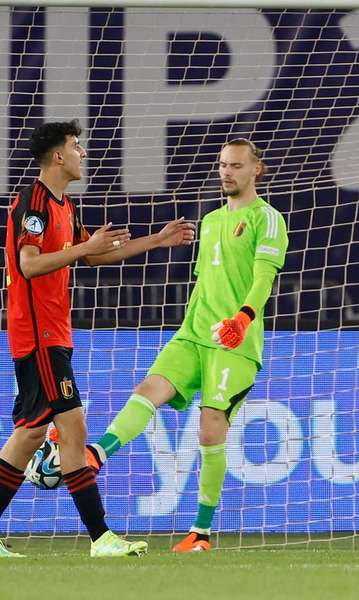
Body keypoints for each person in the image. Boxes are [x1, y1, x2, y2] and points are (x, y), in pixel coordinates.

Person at [84, 138, 288, 553]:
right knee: (146, 391)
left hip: (235, 342)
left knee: (211, 429)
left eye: (235, 165)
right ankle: (95, 456)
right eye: (222, 165)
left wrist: (242, 319)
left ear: (256, 170)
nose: (226, 172)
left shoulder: (268, 219)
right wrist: (192, 327)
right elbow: (206, 283)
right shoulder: (211, 221)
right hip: (193, 334)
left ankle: (201, 533)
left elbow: (262, 279)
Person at [0, 120, 194, 557]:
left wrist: (158, 240)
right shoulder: (32, 203)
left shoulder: (64, 205)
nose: (82, 152)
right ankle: (101, 537)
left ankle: (100, 538)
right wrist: (82, 249)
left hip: (53, 335)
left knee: (31, 436)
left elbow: (97, 253)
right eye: (75, 146)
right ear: (57, 156)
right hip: (39, 334)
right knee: (73, 427)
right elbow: (29, 265)